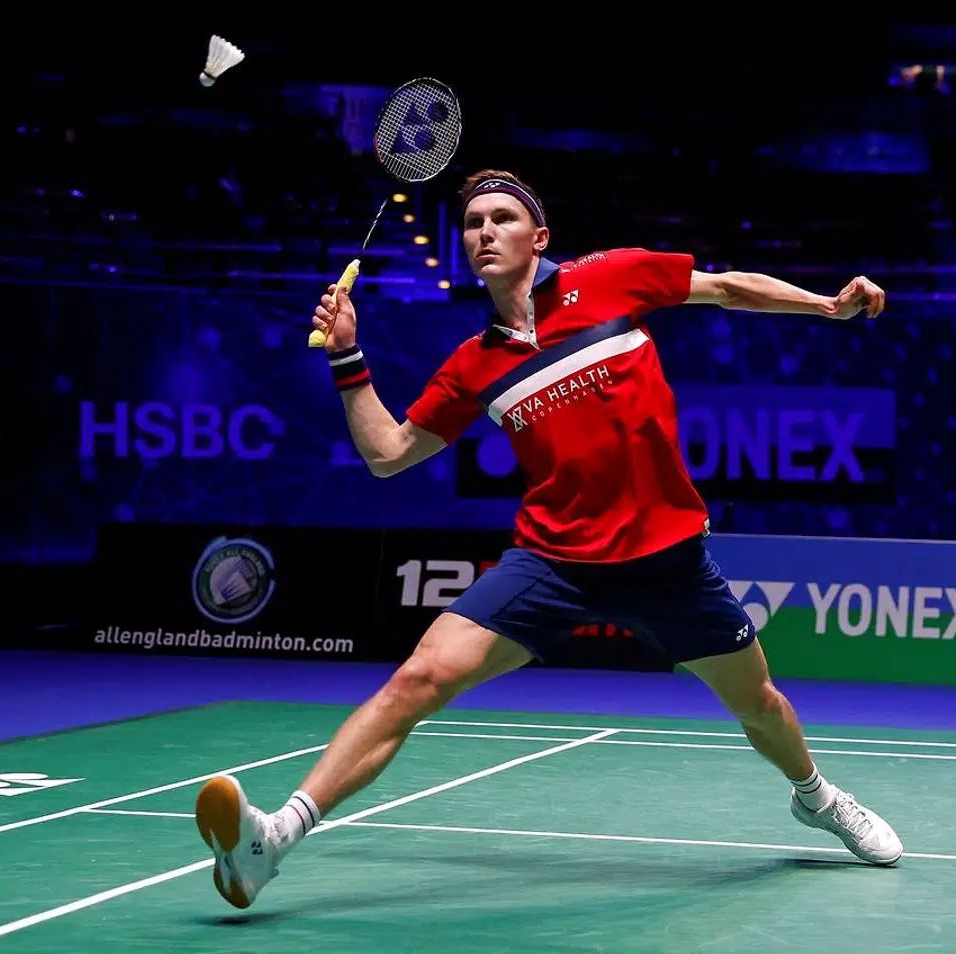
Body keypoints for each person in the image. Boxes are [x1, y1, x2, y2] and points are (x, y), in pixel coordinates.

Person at [194, 169, 900, 909]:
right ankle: (271, 841)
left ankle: (815, 798)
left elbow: (726, 287)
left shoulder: (611, 279)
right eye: (472, 224)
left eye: (501, 218)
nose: (485, 232)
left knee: (759, 703)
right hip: (554, 561)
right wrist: (347, 356)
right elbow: (388, 453)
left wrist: (823, 305)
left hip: (667, 561)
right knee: (417, 679)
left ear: (539, 237)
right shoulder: (475, 364)